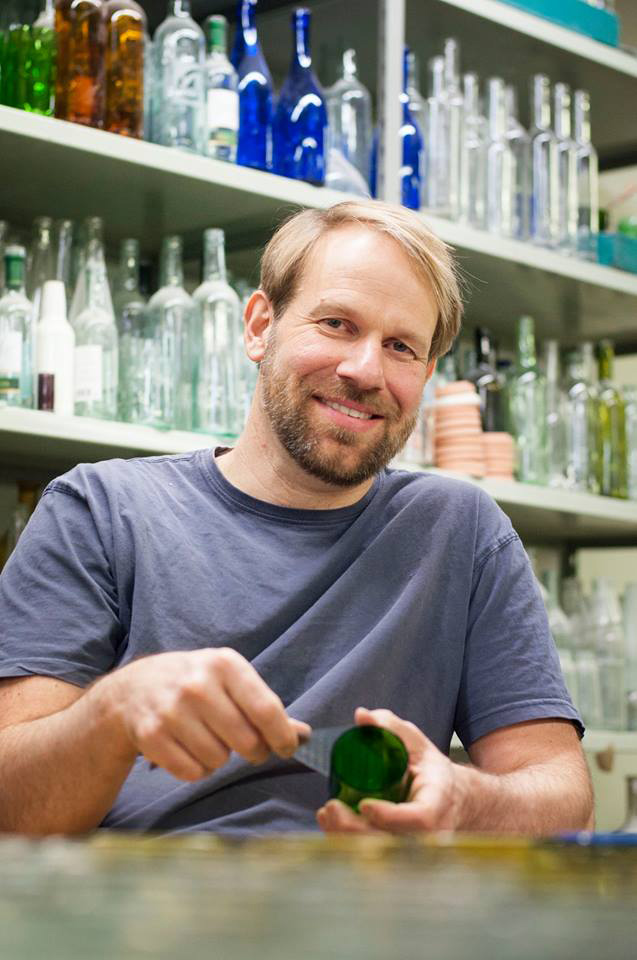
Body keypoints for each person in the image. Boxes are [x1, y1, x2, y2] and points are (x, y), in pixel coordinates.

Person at [0, 200, 592, 837]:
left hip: (373, 898)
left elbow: (565, 798)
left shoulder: (461, 532)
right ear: (260, 326)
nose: (365, 370)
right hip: (143, 896)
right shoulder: (100, 510)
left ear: (425, 374)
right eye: (337, 324)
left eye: (401, 347)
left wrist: (466, 801)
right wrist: (113, 714)